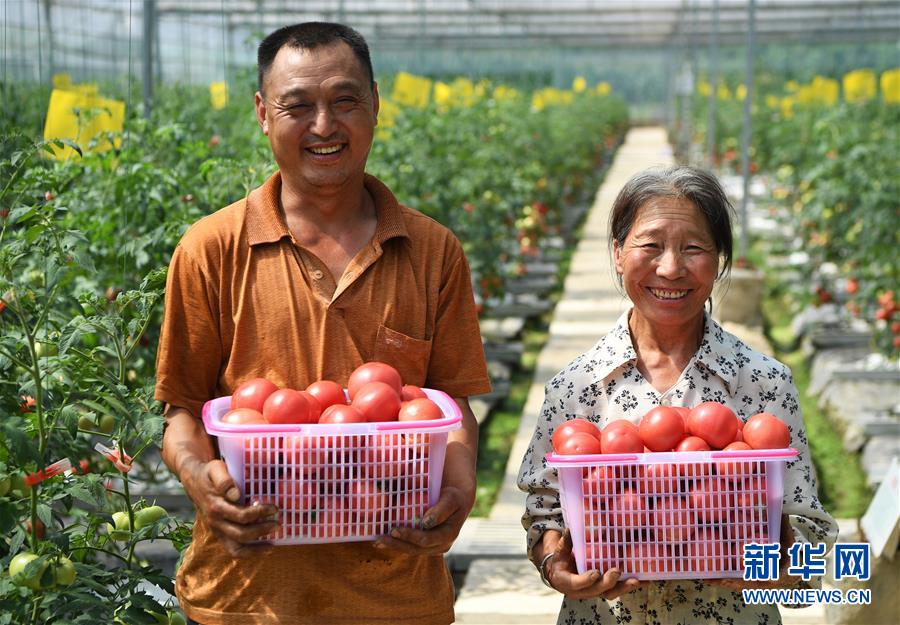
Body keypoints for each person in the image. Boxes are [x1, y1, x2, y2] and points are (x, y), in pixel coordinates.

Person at [155, 22, 491, 625]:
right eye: (297, 106)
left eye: (344, 101)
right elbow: (181, 410)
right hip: (245, 597)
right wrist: (197, 477)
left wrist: (460, 484)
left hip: (396, 596)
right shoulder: (210, 248)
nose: (323, 126)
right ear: (262, 112)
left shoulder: (434, 250)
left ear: (376, 104)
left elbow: (453, 404)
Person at [517, 166, 837, 624]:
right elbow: (544, 512)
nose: (670, 268)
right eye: (650, 245)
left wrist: (780, 569)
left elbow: (811, 534)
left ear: (720, 258)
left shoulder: (764, 383)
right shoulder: (577, 385)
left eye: (693, 248)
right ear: (618, 253)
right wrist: (556, 566)